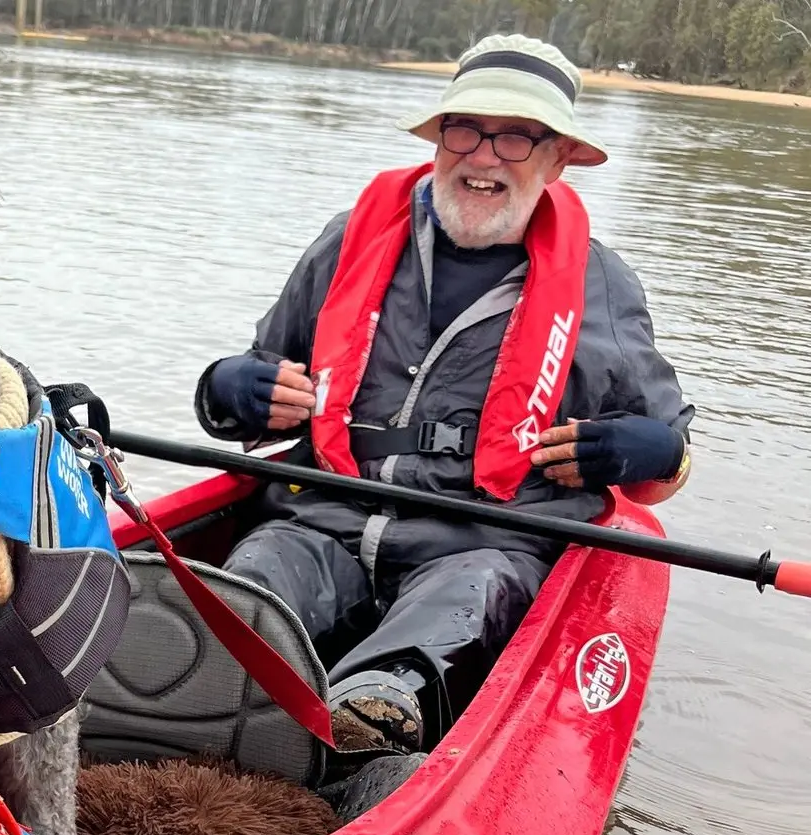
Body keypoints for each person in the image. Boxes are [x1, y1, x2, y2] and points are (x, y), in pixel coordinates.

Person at [194, 34, 695, 754]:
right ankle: (207, 699)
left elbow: (668, 469)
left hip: (482, 542)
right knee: (255, 576)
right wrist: (227, 385)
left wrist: (655, 448)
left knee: (468, 597)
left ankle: (368, 724)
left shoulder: (604, 289)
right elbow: (250, 386)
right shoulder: (346, 242)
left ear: (557, 158)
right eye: (466, 129)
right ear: (438, 138)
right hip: (319, 520)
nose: (484, 155)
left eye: (517, 138)